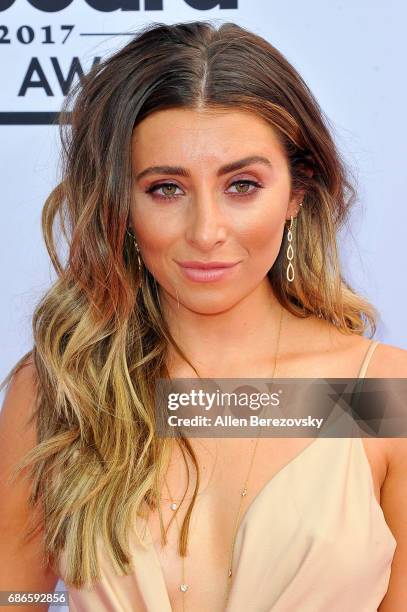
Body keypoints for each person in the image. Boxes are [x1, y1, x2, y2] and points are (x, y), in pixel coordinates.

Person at [0, 19, 406, 612]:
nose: (206, 232)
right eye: (167, 189)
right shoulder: (62, 388)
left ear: (297, 191)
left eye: (242, 185)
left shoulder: (377, 394)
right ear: (119, 203)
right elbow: (17, 593)